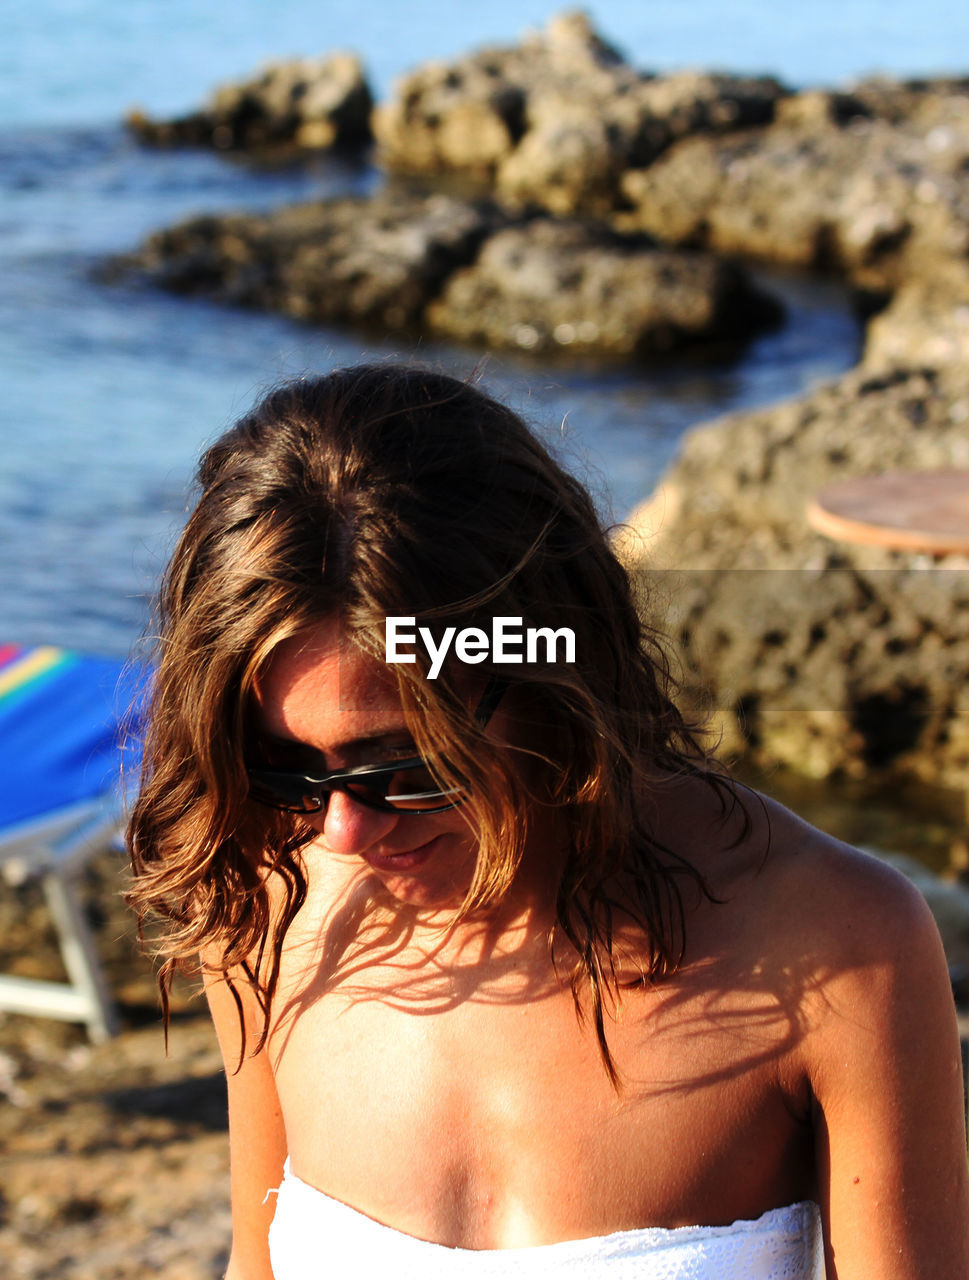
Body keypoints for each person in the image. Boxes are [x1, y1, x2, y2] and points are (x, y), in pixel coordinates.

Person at [127, 363, 969, 1280]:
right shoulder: (266, 907)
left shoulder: (840, 946)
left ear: (545, 673)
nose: (342, 834)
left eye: (405, 766)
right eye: (280, 769)